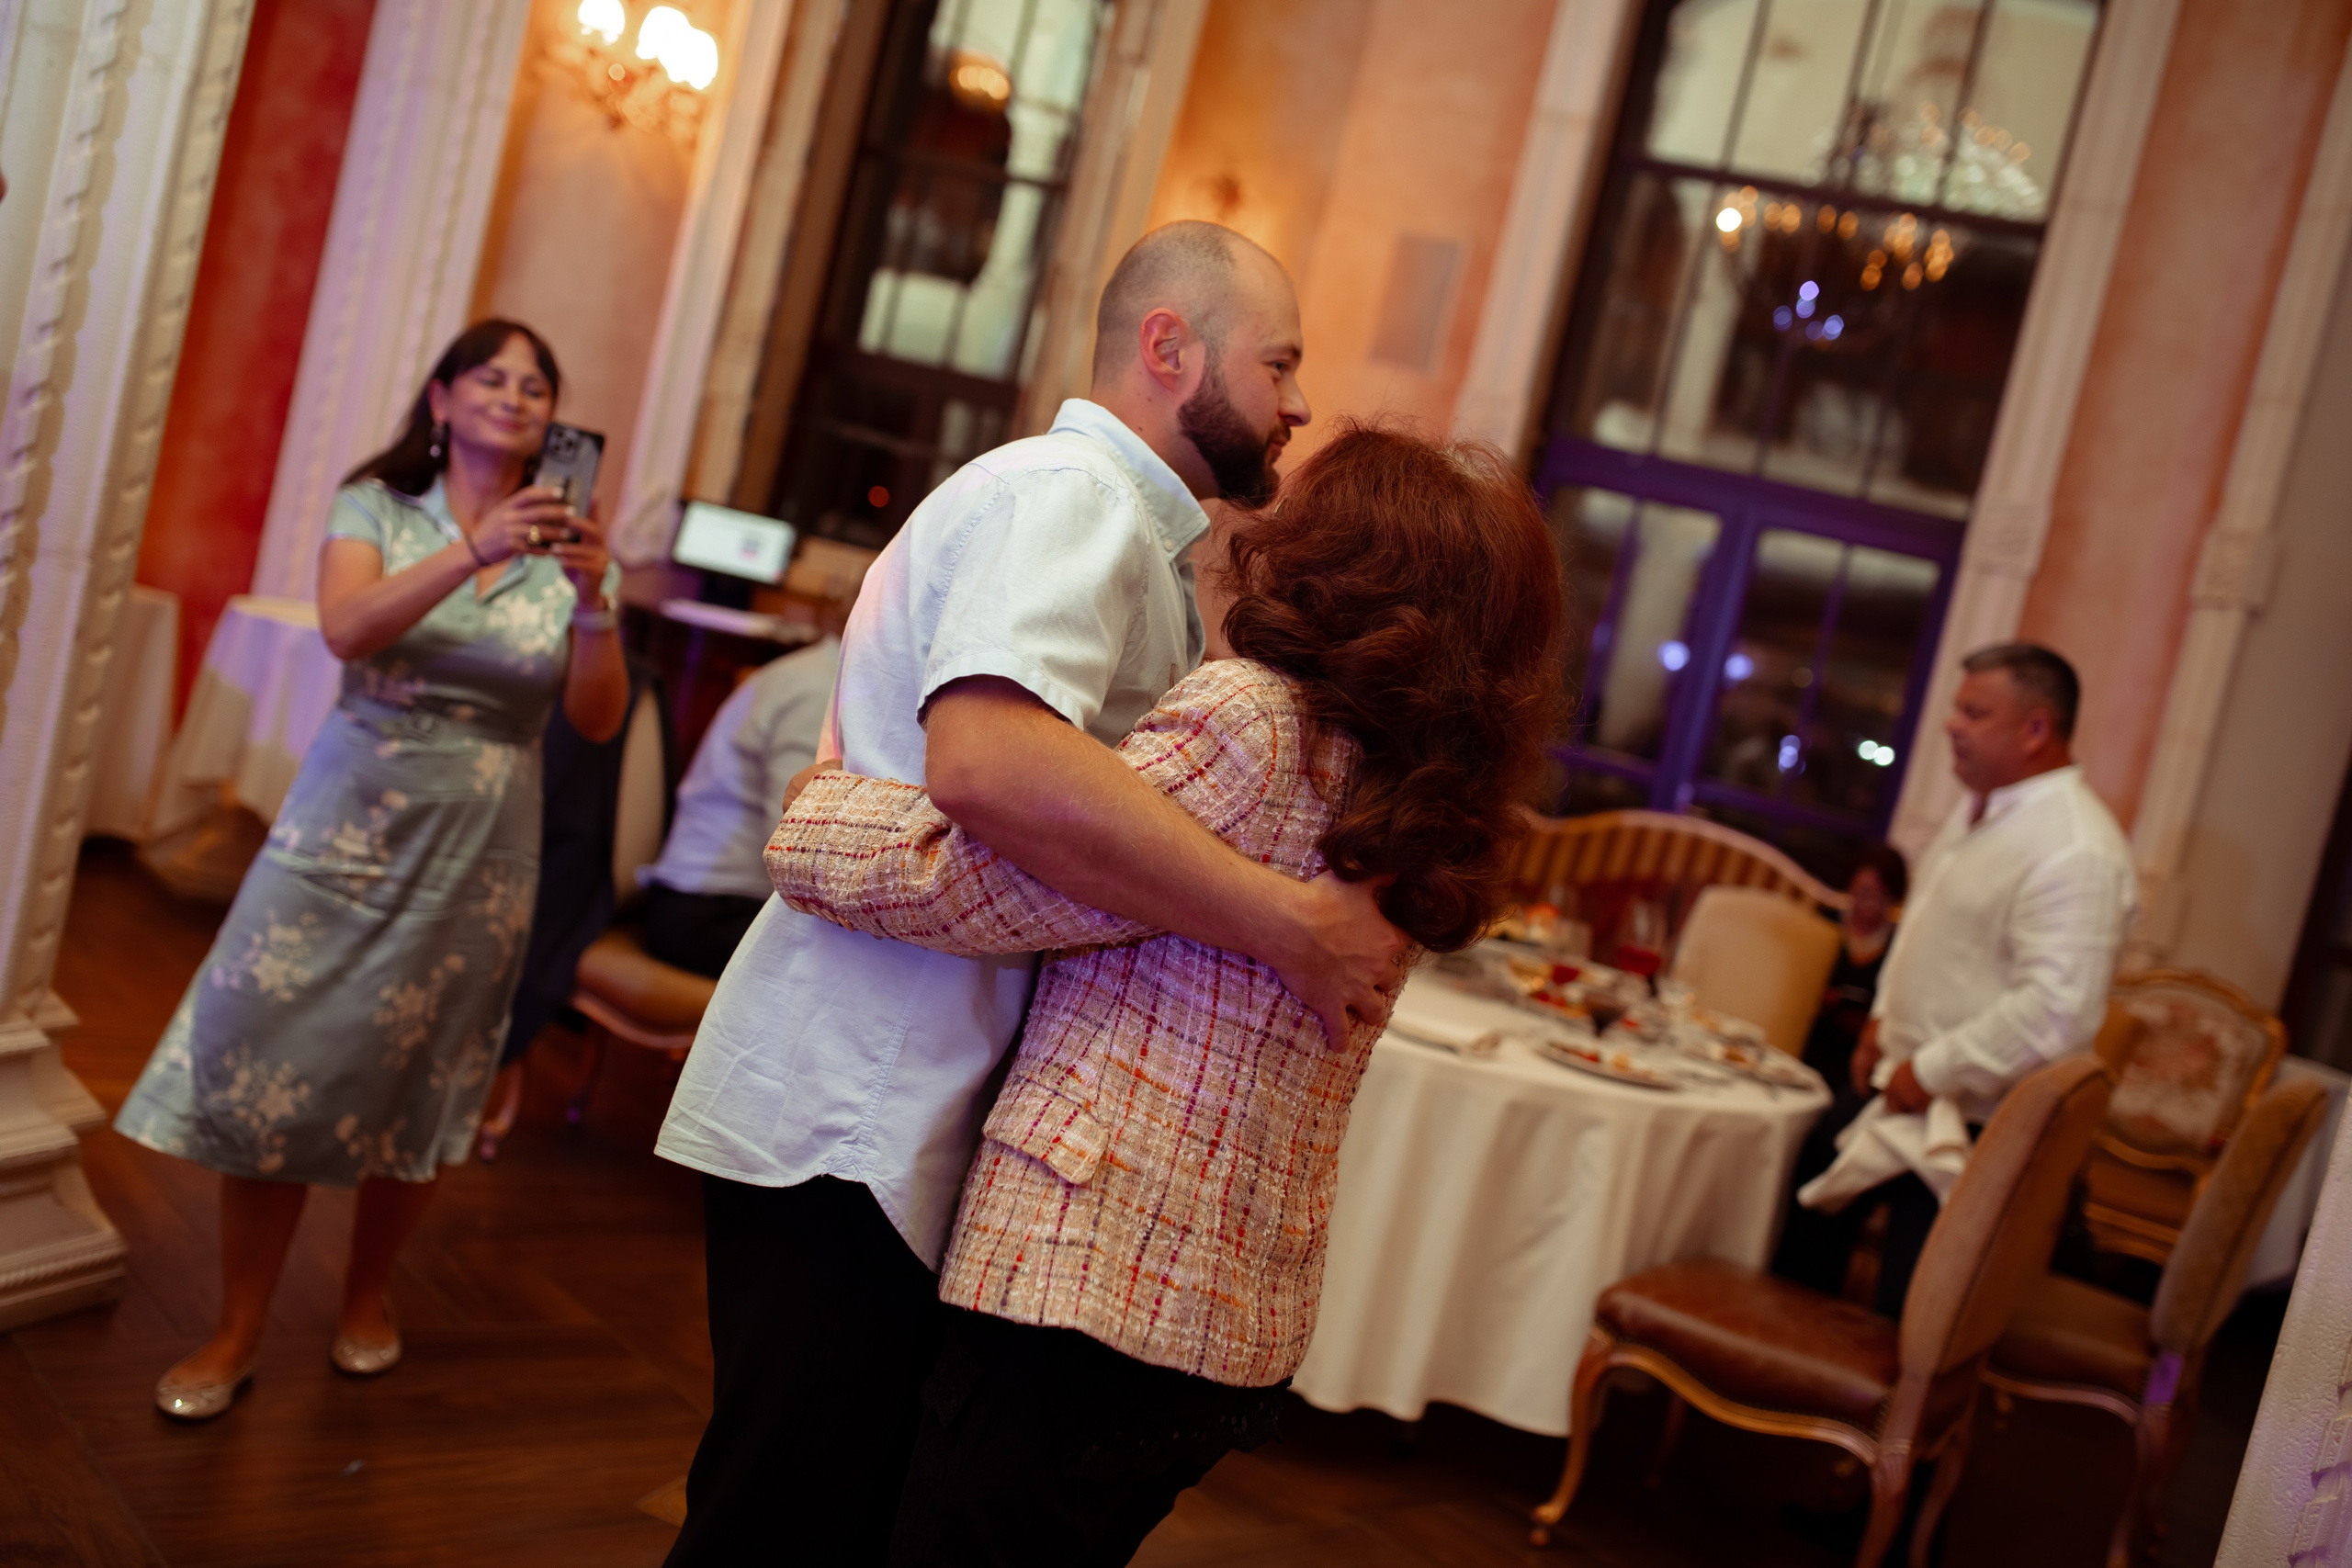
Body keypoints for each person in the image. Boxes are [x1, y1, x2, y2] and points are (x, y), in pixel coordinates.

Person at [652, 221, 1408, 1566]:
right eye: (1279, 361)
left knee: (811, 1521)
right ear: (1168, 347)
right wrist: (1277, 918)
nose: (1297, 401)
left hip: (895, 1081)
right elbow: (990, 764)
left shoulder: (1124, 528)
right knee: (775, 1526)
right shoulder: (1071, 497)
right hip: (861, 1088)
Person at [767, 422, 1565, 1564]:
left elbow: (988, 881)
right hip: (1234, 1313)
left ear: (1335, 555)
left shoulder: (1258, 722)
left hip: (1091, 1281)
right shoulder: (1426, 789)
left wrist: (818, 814)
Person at [115, 320, 629, 1418]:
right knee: (275, 1048)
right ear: (441, 400)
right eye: (490, 377)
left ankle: (366, 1296)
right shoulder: (376, 509)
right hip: (344, 834)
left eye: (536, 386)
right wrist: (476, 550)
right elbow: (348, 628)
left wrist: (593, 601)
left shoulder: (577, 547)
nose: (514, 396)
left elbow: (594, 719)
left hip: (482, 852)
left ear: (553, 420)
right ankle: (236, 1325)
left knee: (426, 1069)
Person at [1772, 642, 2134, 1315]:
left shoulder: (2075, 847)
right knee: (1797, 1242)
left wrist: (1931, 1068)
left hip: (1970, 1125)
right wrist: (1883, 1017)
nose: (1951, 724)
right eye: (1956, 708)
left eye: (1974, 711)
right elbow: (1926, 930)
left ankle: (1881, 1421)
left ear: (2034, 729)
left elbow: (2058, 1011)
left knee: (1911, 1318)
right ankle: (1774, 1397)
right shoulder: (1982, 809)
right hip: (1894, 1084)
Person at [638, 633, 842, 977]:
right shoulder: (822, 689)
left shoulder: (818, 671)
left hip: (712, 902)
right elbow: (790, 844)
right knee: (858, 973)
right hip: (705, 909)